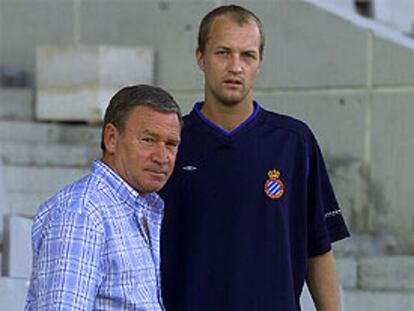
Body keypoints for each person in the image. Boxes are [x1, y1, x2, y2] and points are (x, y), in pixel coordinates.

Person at [159, 5, 350, 311]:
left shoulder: (294, 142)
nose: (236, 66)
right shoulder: (169, 144)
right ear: (201, 58)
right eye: (223, 53)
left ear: (259, 63)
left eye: (247, 55)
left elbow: (318, 247)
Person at [25, 85, 182, 310]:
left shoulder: (140, 207)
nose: (162, 157)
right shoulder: (81, 213)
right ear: (111, 139)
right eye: (148, 140)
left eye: (171, 144)